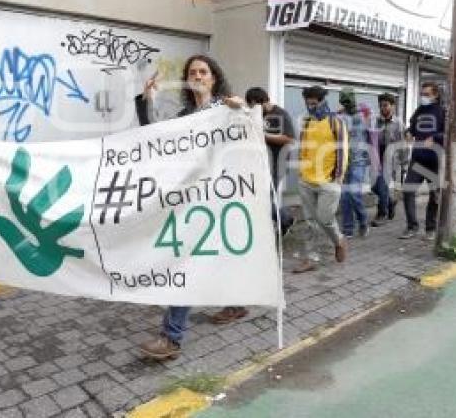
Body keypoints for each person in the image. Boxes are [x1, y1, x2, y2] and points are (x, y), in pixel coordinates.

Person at [134, 55, 246, 360]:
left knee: (187, 261)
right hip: (192, 200)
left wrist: (243, 109)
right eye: (192, 72)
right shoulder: (185, 115)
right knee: (201, 258)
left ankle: (171, 338)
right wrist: (148, 101)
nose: (197, 75)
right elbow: (156, 140)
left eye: (203, 71)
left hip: (220, 198)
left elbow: (251, 130)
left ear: (213, 77)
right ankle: (236, 302)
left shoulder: (226, 108)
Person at [292, 85, 349, 273]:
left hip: (328, 181)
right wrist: (301, 168)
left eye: (314, 103)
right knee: (310, 221)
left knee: (325, 219)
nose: (311, 107)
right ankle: (311, 258)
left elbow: (342, 150)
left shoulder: (335, 122)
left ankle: (338, 240)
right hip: (307, 180)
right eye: (308, 103)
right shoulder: (307, 122)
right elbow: (303, 147)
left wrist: (338, 176)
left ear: (323, 101)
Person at [243, 87, 296, 234]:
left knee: (264, 199)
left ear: (263, 101)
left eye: (255, 106)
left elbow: (289, 139)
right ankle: (285, 219)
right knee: (259, 197)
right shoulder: (256, 114)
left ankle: (285, 220)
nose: (254, 109)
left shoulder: (281, 114)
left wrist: (264, 135)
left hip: (278, 164)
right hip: (261, 164)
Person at [401, 83, 446, 241]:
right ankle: (412, 226)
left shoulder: (442, 112)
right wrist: (407, 132)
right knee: (407, 191)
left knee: (434, 195)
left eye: (426, 94)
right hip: (418, 158)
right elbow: (411, 128)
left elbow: (449, 133)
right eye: (422, 94)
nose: (423, 97)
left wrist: (435, 137)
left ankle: (430, 228)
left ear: (435, 95)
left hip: (435, 160)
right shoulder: (419, 110)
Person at [337, 88, 372, 238]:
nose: (346, 103)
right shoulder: (340, 117)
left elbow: (372, 135)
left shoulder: (364, 113)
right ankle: (348, 229)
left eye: (348, 99)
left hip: (359, 160)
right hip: (344, 160)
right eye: (344, 100)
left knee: (353, 193)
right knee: (345, 196)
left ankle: (363, 220)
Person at [371, 92, 405, 227]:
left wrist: (403, 164)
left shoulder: (398, 123)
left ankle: (382, 214)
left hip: (391, 158)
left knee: (383, 185)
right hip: (377, 156)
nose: (383, 108)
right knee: (374, 186)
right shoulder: (376, 121)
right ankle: (390, 202)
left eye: (385, 105)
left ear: (393, 106)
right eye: (381, 106)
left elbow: (402, 144)